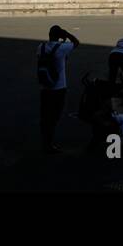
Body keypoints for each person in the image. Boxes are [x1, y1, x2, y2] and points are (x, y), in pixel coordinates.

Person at [37, 24, 80, 153]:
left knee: (45, 115)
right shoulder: (63, 48)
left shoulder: (41, 47)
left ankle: (46, 140)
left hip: (44, 86)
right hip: (58, 87)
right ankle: (49, 143)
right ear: (60, 35)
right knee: (54, 115)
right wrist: (67, 34)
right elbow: (76, 43)